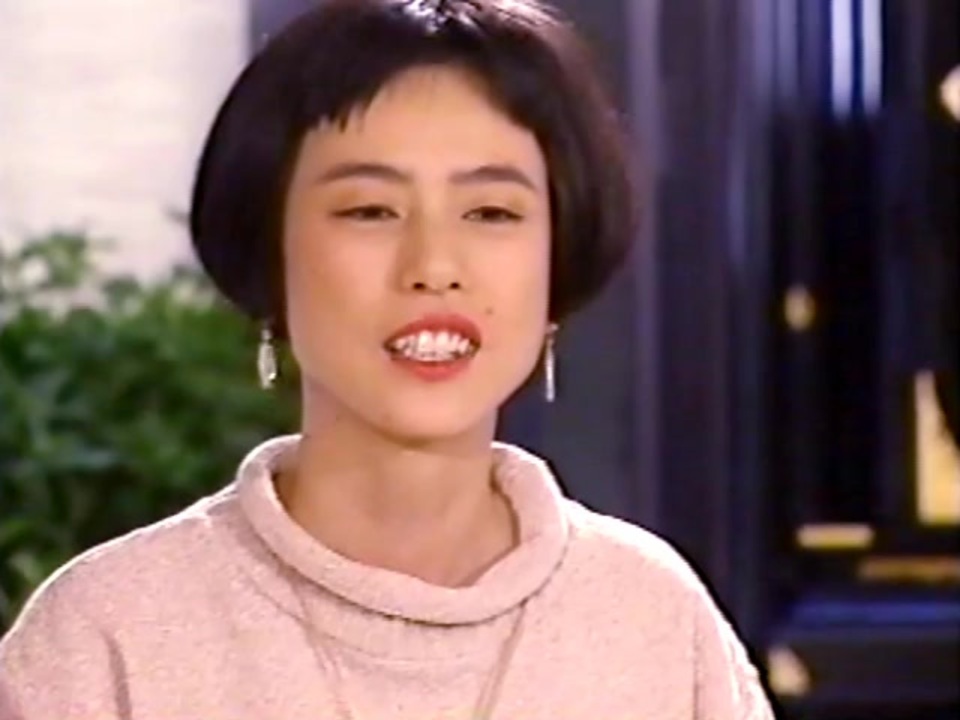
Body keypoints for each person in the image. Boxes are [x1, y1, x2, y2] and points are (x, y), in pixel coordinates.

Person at [0, 0, 775, 717]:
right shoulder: (109, 636)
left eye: (491, 212)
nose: (434, 265)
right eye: (370, 210)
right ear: (270, 254)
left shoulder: (653, 620)